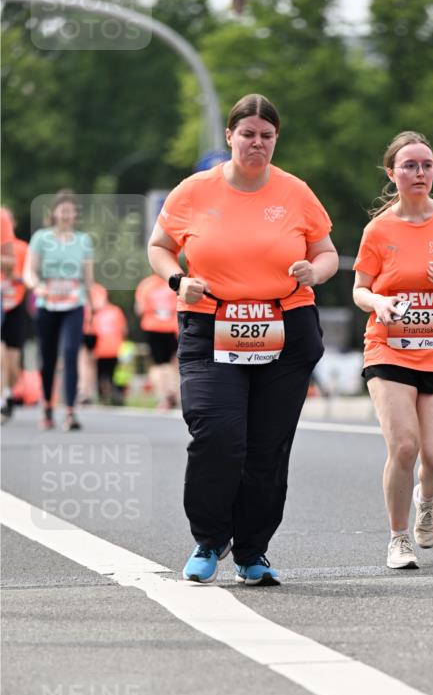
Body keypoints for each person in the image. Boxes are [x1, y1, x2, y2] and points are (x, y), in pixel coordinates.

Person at [147, 93, 338, 585]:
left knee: (267, 449)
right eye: (248, 134)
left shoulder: (296, 192)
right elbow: (160, 246)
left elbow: (328, 253)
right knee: (217, 435)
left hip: (285, 326)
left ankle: (253, 552)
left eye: (267, 136)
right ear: (230, 135)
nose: (257, 143)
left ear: (276, 139)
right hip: (211, 324)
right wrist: (177, 280)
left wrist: (314, 271)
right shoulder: (194, 191)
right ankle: (210, 540)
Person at [352, 131, 433, 570]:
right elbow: (359, 290)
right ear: (392, 173)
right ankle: (398, 538)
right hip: (389, 347)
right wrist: (379, 303)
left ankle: (426, 498)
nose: (419, 172)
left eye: (427, 165)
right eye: (409, 165)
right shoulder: (378, 229)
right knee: (405, 446)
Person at [24, 190, 94, 430]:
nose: (65, 215)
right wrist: (37, 287)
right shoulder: (41, 238)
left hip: (75, 302)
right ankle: (47, 406)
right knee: (48, 356)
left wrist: (92, 305)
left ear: (75, 215)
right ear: (53, 213)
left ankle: (70, 411)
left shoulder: (83, 240)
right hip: (47, 303)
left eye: (70, 211)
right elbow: (29, 271)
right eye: (62, 210)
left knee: (71, 351)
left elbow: (88, 278)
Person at [134, 272, 179, 409]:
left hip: (153, 328)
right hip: (171, 328)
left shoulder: (146, 284)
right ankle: (172, 392)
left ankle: (164, 397)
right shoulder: (176, 282)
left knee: (159, 365)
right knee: (172, 363)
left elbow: (139, 309)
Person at [1, 210, 28, 424]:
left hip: (15, 302)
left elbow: (29, 277)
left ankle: (8, 390)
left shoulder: (22, 248)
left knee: (13, 357)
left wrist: (16, 278)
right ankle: (4, 394)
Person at [92, 294, 127, 403]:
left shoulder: (112, 311)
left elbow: (123, 329)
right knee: (106, 375)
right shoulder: (99, 312)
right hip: (101, 350)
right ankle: (106, 396)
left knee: (108, 375)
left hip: (112, 349)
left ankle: (111, 397)